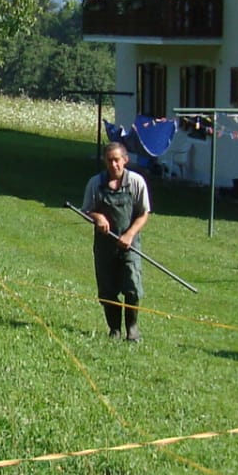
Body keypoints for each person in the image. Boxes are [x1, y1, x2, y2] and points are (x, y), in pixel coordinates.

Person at [81, 141, 152, 340]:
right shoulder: (95, 183)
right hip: (105, 246)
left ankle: (132, 329)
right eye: (109, 160)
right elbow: (86, 210)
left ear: (125, 160)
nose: (114, 165)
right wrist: (97, 217)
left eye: (117, 160)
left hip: (130, 245)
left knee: (132, 287)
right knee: (107, 290)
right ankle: (114, 329)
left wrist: (130, 234)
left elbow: (144, 213)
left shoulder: (136, 182)